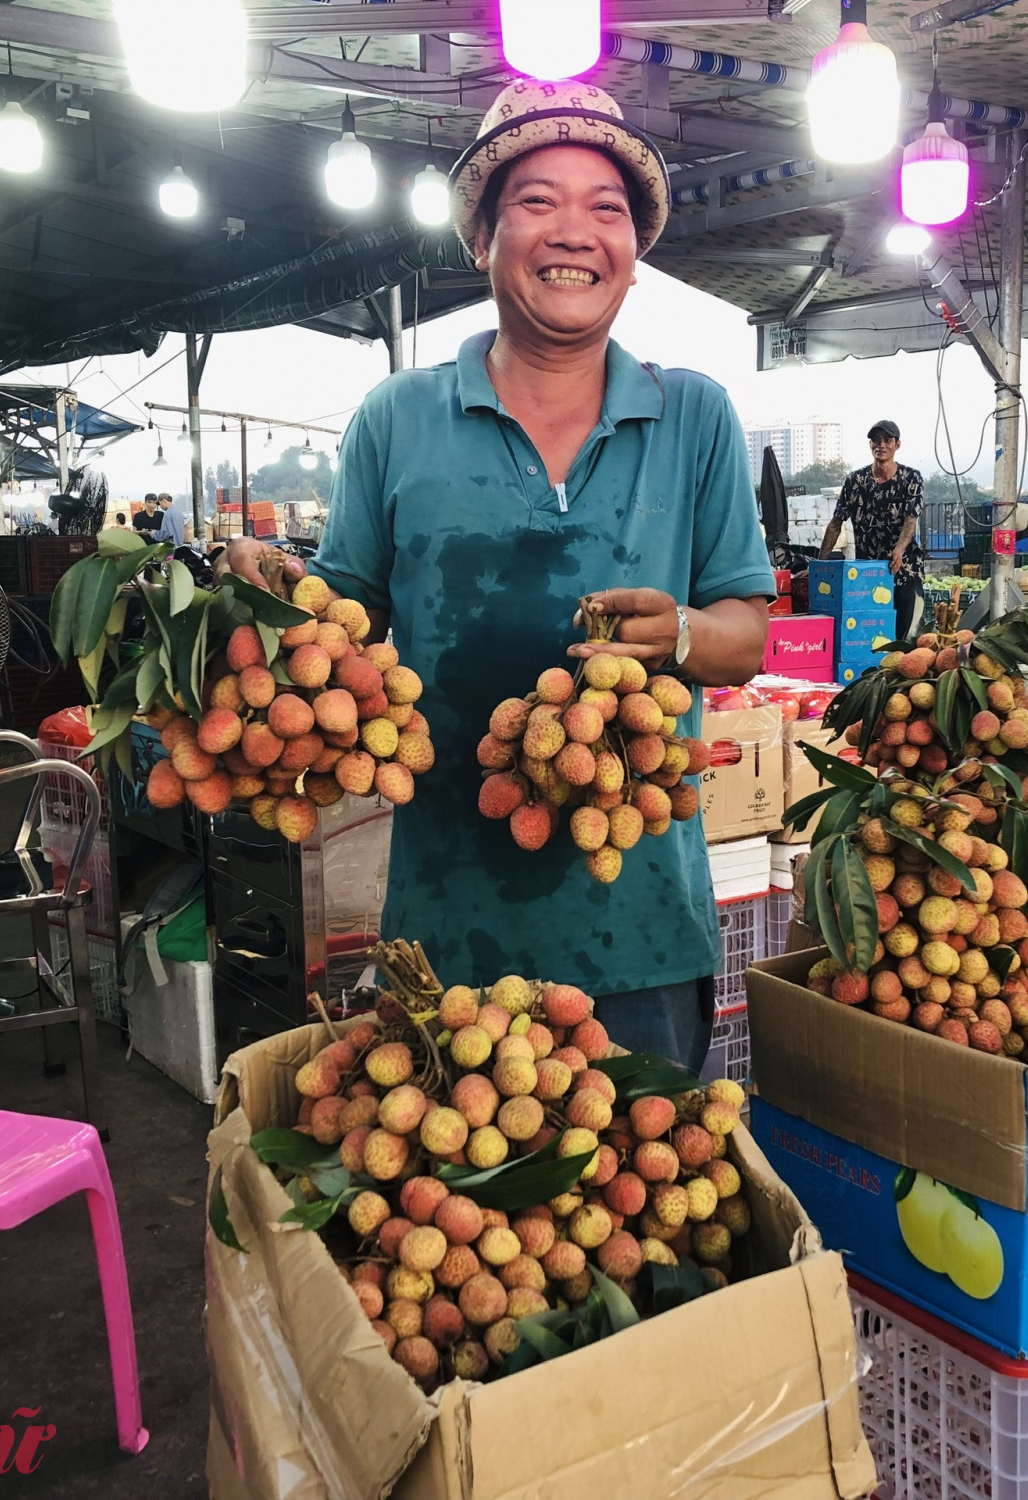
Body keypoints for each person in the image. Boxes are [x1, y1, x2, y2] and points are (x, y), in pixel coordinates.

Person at [218, 80, 774, 1071]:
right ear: (482, 238)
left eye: (606, 209)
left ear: (633, 258)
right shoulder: (396, 416)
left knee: (641, 1216)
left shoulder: (695, 416)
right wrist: (272, 601)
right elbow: (343, 629)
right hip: (449, 927)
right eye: (536, 201)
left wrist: (680, 634)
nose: (574, 231)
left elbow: (745, 631)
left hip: (640, 925)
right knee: (471, 1209)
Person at [822, 421, 926, 642]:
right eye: (876, 440)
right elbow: (836, 522)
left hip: (904, 568)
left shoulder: (911, 478)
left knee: (905, 639)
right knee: (869, 637)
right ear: (870, 445)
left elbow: (911, 520)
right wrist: (820, 565)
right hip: (867, 573)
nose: (881, 445)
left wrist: (898, 550)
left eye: (887, 440)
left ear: (897, 445)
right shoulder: (855, 481)